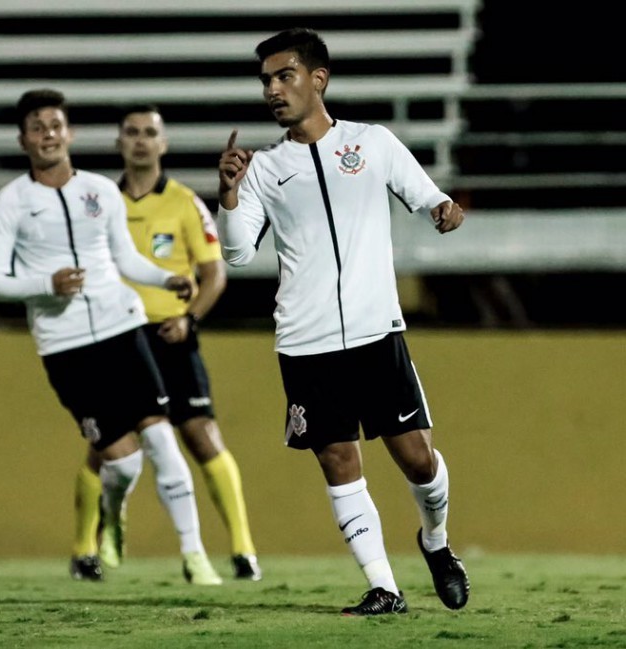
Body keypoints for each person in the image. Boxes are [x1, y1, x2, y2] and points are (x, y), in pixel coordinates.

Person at [215, 28, 470, 615]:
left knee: (418, 461)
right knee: (338, 460)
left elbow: (428, 196)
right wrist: (227, 194)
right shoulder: (261, 168)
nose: (272, 90)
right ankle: (385, 586)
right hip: (306, 342)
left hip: (377, 332)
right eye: (266, 81)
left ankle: (436, 542)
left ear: (317, 79)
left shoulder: (372, 143)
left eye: (284, 76)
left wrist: (442, 210)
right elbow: (234, 254)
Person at [0, 88, 222, 586]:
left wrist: (163, 278)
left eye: (56, 125)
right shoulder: (12, 202)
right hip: (64, 347)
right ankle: (112, 511)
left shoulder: (100, 192)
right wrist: (47, 285)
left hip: (121, 326)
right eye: (37, 127)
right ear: (24, 140)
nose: (48, 134)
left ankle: (196, 558)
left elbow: (124, 259)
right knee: (123, 464)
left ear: (71, 134)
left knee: (162, 438)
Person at [69, 105, 262, 582]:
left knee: (202, 436)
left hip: (170, 336)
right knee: (107, 447)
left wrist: (189, 319)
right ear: (119, 142)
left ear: (163, 144)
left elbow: (214, 274)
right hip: (115, 340)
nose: (140, 140)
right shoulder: (96, 204)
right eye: (131, 132)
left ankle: (242, 550)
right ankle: (84, 550)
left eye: (149, 133)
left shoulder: (184, 203)